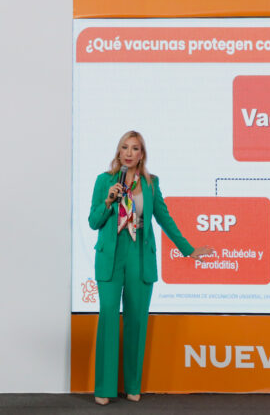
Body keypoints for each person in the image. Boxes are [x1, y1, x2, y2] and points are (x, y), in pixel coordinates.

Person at [88, 130, 213, 405]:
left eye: (135, 148)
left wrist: (188, 249)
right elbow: (93, 221)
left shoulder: (151, 183)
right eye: (125, 147)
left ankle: (133, 385)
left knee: (136, 320)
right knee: (108, 316)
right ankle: (104, 388)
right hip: (111, 255)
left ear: (142, 154)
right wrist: (108, 201)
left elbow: (164, 218)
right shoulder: (104, 180)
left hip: (140, 255)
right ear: (118, 151)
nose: (129, 153)